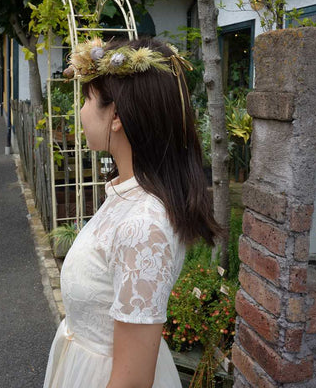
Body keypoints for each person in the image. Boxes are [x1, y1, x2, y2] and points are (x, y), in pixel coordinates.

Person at [43, 37, 221, 388]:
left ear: (117, 117)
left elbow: (133, 381)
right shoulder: (127, 195)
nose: (80, 111)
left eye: (87, 99)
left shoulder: (144, 224)